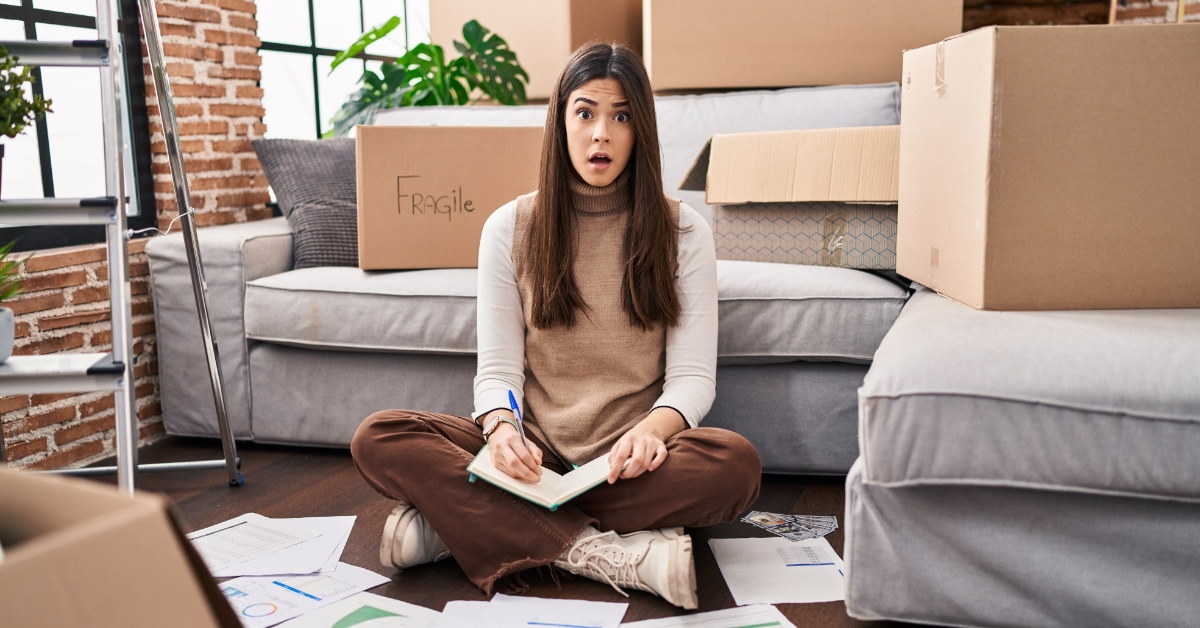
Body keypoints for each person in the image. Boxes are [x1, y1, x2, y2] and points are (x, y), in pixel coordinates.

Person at [351, 41, 762, 610]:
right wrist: (502, 429)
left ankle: (458, 528)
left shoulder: (684, 231)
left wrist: (652, 431)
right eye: (585, 113)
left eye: (622, 117)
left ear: (641, 129)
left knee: (734, 466)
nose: (601, 135)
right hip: (533, 456)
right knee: (380, 437)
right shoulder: (509, 227)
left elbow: (692, 379)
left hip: (625, 464)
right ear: (561, 121)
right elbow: (498, 373)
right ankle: (597, 552)